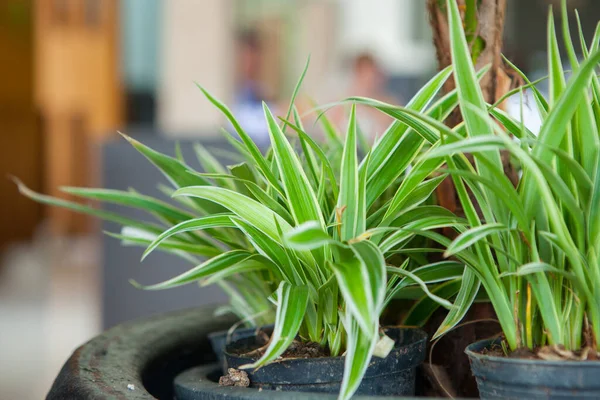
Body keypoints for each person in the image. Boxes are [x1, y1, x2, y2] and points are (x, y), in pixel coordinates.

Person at [329, 52, 400, 143]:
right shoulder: (341, 103)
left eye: (372, 75)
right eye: (364, 75)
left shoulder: (387, 103)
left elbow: (394, 132)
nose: (368, 80)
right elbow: (331, 133)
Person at [231, 30, 271, 148]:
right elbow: (240, 123)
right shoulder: (230, 91)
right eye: (246, 57)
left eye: (255, 57)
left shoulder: (257, 88)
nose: (251, 63)